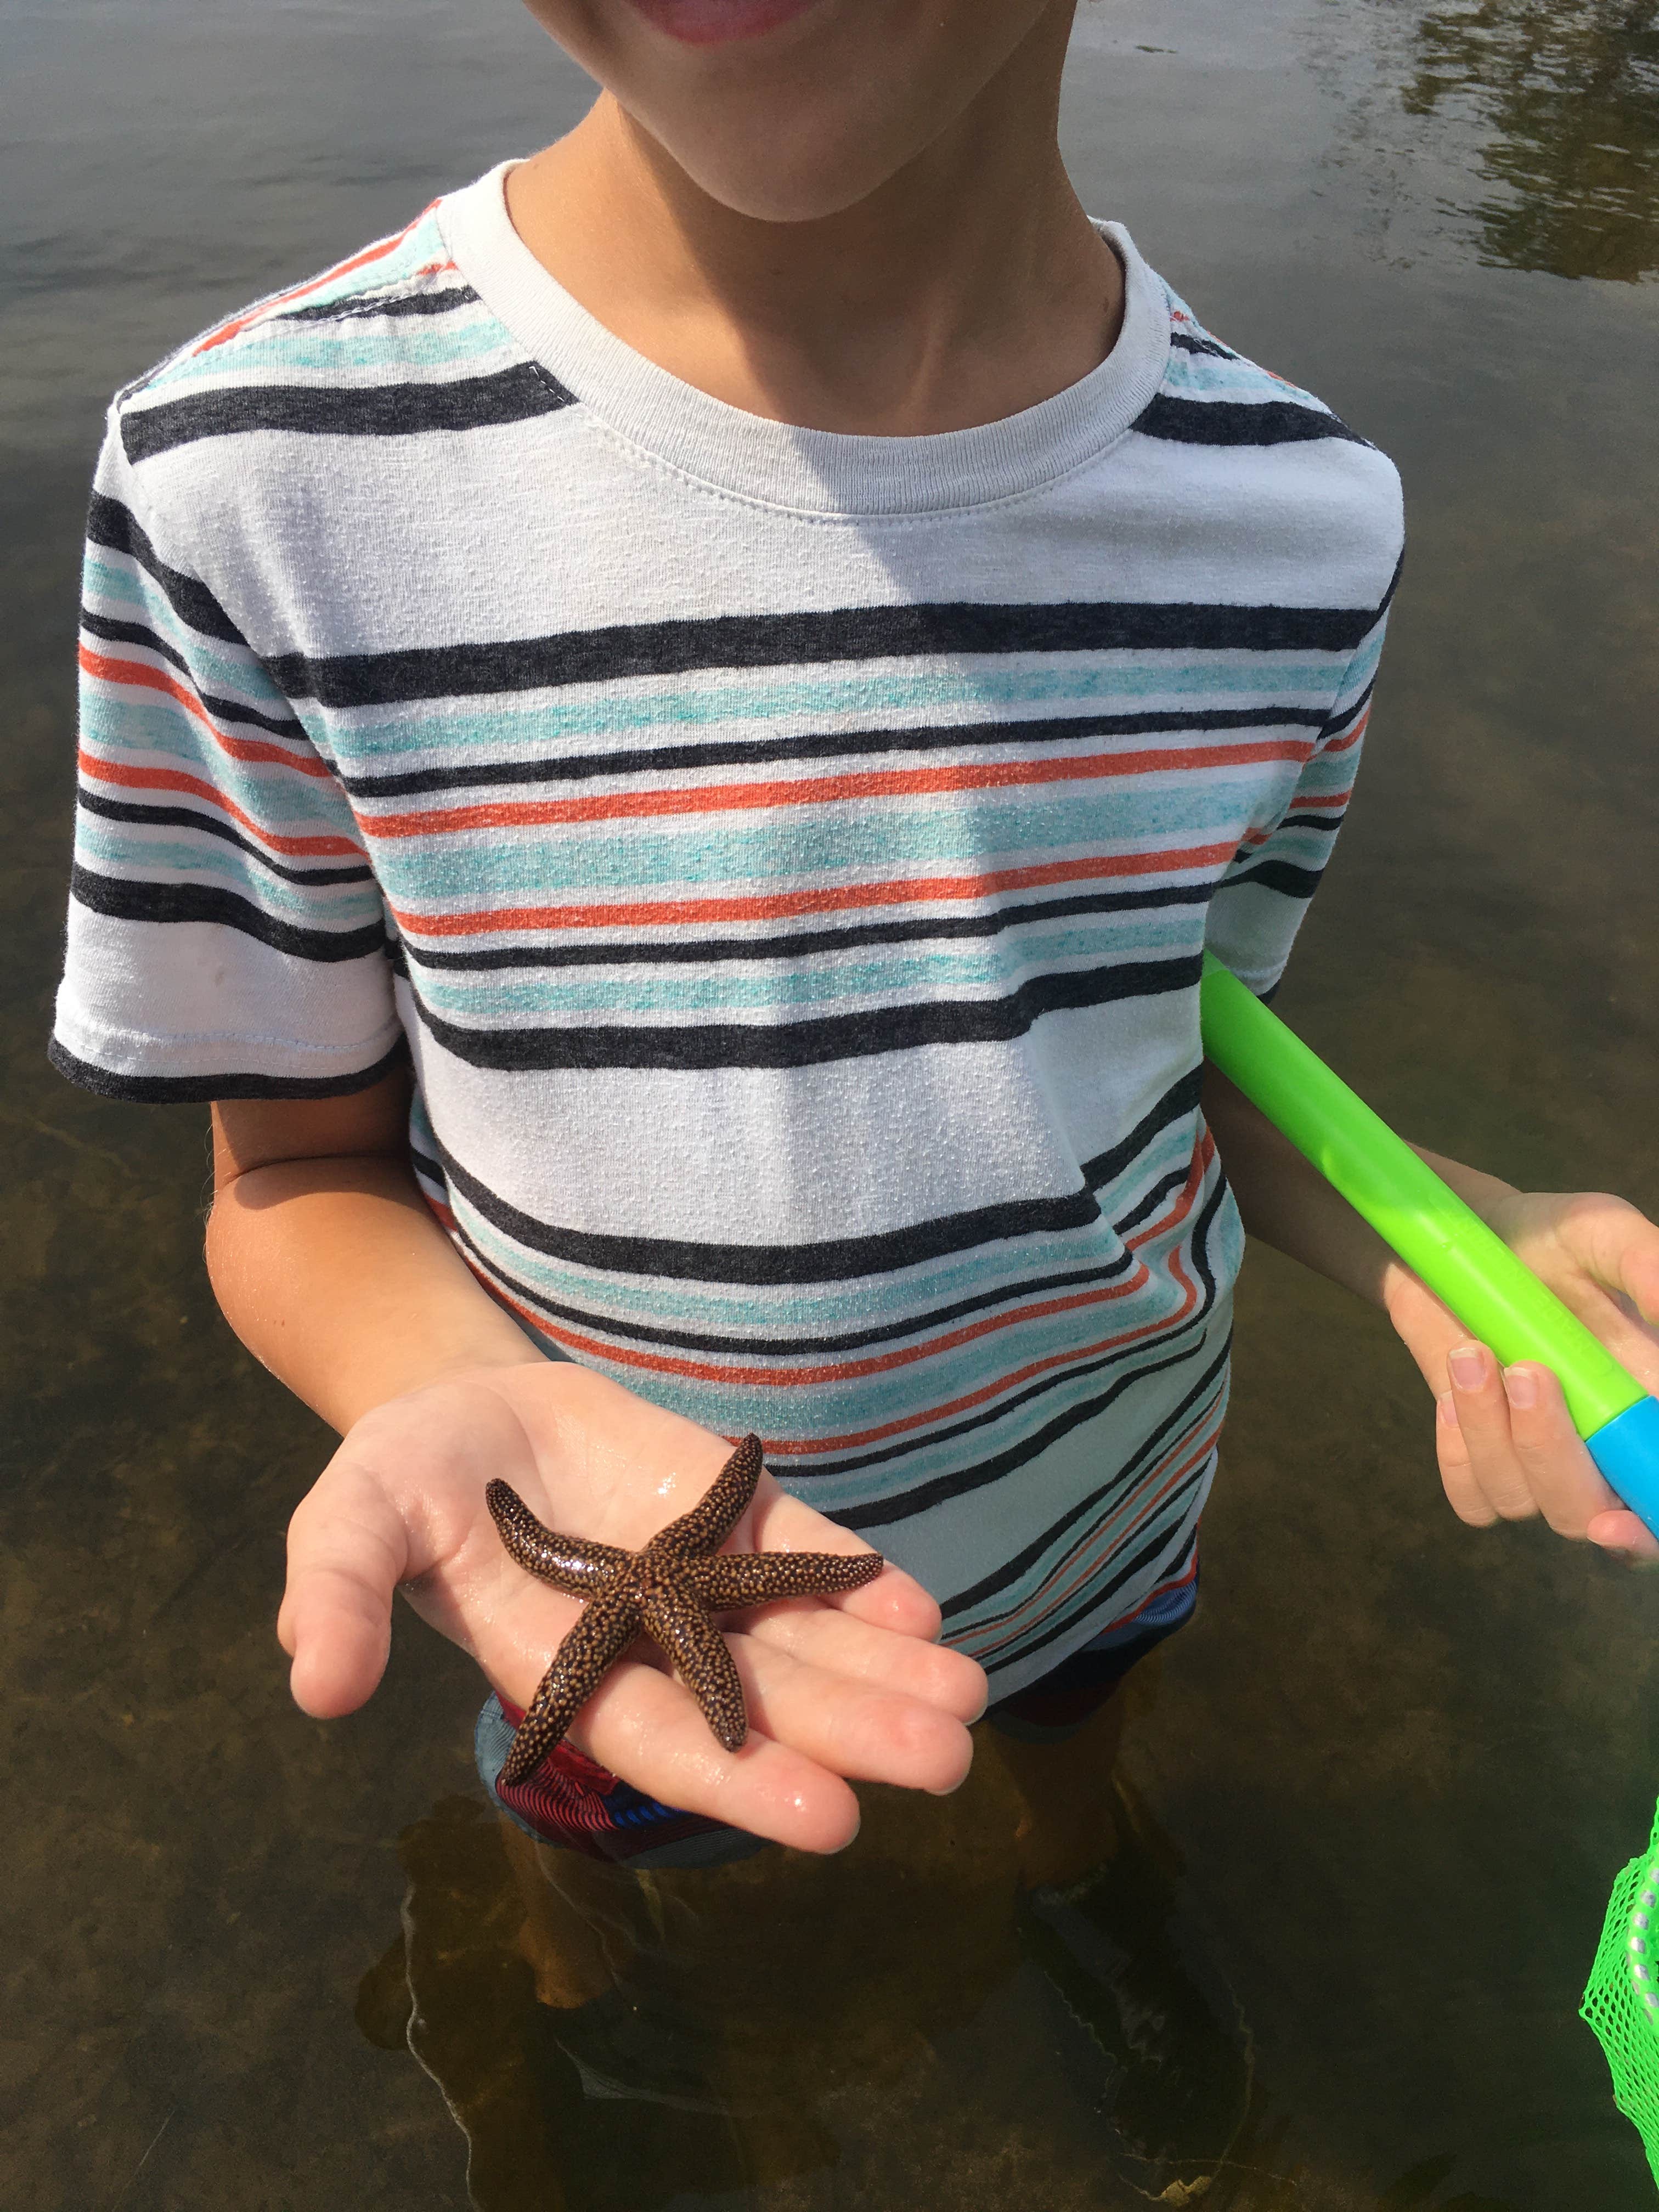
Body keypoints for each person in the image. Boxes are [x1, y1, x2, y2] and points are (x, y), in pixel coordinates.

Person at [51, 0, 1659, 1880]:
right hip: (644, 1592)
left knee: (1082, 1765)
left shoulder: (1296, 522)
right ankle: (560, 1994)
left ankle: (1078, 1872)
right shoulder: (251, 482)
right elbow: (288, 1180)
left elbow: (1159, 1035)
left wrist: (1452, 1243)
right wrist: (444, 1397)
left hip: (1113, 1507)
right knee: (593, 1868)